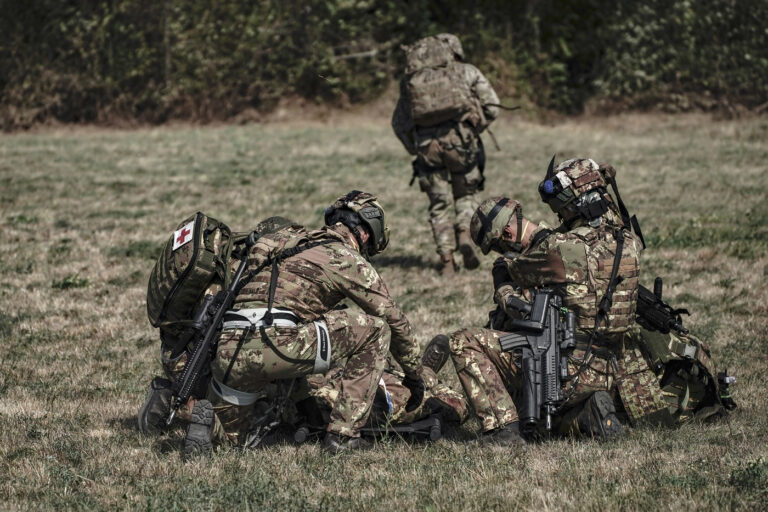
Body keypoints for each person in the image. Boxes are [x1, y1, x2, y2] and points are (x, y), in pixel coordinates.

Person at [447, 158, 733, 445]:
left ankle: (501, 431)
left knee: (464, 342)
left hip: (570, 368)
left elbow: (515, 274)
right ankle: (589, 415)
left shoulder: (558, 249)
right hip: (616, 370)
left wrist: (503, 286)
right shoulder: (626, 239)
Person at [140, 191, 429, 455]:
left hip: (230, 349)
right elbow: (395, 321)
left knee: (234, 438)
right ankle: (343, 437)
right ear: (368, 235)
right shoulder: (346, 258)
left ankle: (192, 414)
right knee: (375, 331)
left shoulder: (277, 241)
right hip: (279, 345)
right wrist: (415, 377)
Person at [392, 33, 500, 276]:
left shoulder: (411, 80)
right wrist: (474, 129)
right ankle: (464, 232)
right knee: (466, 194)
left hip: (427, 148)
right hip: (461, 144)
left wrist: (414, 147)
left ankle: (446, 261)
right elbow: (492, 105)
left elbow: (399, 123)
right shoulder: (467, 72)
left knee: (438, 205)